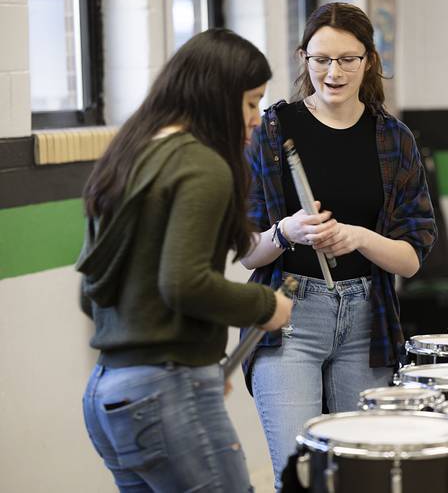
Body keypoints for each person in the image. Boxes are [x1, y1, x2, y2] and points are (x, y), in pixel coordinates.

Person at [77, 28, 293, 492]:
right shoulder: (203, 165)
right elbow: (184, 283)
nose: (256, 119)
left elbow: (91, 293)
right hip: (164, 391)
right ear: (217, 97)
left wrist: (198, 363)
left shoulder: (129, 154)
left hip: (108, 393)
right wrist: (265, 306)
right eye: (251, 102)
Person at [240, 2, 437, 488]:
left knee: (361, 475)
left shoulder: (394, 138)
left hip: (368, 319)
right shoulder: (270, 130)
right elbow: (248, 251)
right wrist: (287, 231)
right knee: (301, 474)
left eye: (348, 59)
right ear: (303, 57)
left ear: (369, 60)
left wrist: (359, 237)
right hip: (289, 313)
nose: (333, 72)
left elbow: (410, 259)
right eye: (321, 59)